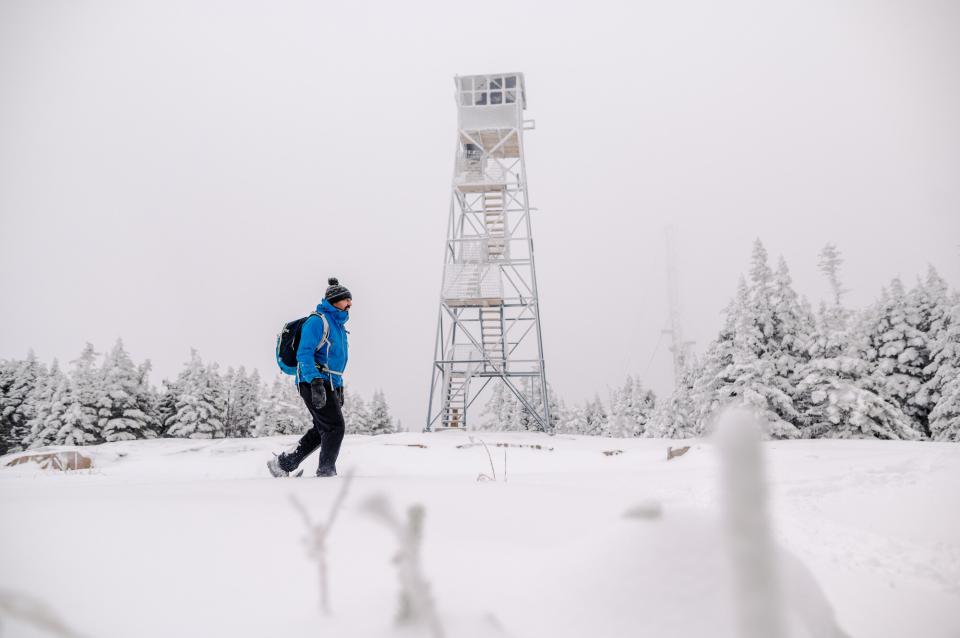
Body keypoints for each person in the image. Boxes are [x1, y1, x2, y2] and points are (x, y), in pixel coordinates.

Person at [267, 277, 352, 478]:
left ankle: (282, 464)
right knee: (334, 427)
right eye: (346, 300)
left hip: (328, 382)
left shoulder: (339, 327)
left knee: (322, 429)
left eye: (350, 300)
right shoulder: (317, 321)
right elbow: (304, 354)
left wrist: (338, 387)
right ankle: (326, 472)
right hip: (312, 381)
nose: (350, 304)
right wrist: (315, 382)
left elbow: (335, 363)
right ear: (334, 301)